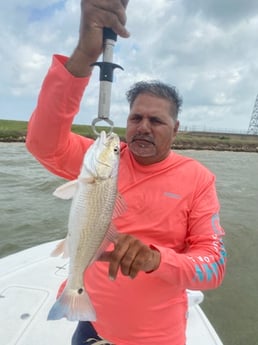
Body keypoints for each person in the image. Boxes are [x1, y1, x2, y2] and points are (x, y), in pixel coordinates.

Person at [26, 1, 226, 344]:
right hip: (92, 325)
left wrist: (155, 259)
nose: (143, 128)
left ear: (175, 129)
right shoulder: (103, 160)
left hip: (157, 337)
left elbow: (213, 265)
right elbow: (42, 142)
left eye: (156, 121)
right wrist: (82, 57)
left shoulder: (198, 179)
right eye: (136, 118)